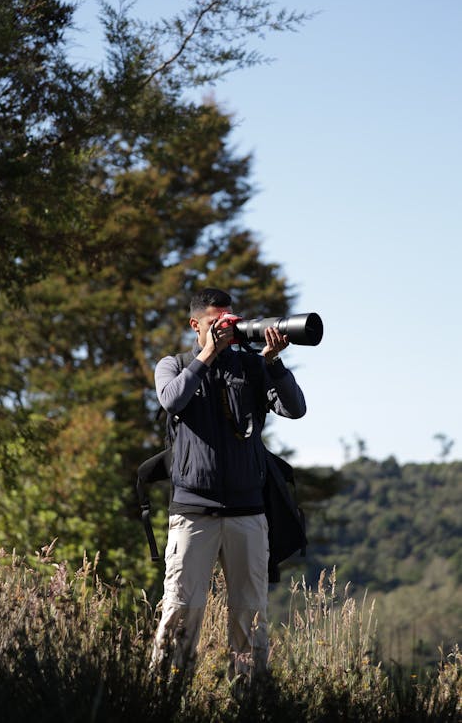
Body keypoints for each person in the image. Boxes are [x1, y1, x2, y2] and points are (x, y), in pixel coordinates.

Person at [151, 287, 306, 683]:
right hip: (193, 512)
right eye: (214, 323)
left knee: (250, 613)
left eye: (229, 322)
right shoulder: (175, 365)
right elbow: (171, 400)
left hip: (248, 512)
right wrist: (207, 356)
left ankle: (250, 696)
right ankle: (163, 694)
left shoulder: (251, 367)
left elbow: (295, 409)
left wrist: (274, 365)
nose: (224, 330)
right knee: (182, 609)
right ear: (194, 325)